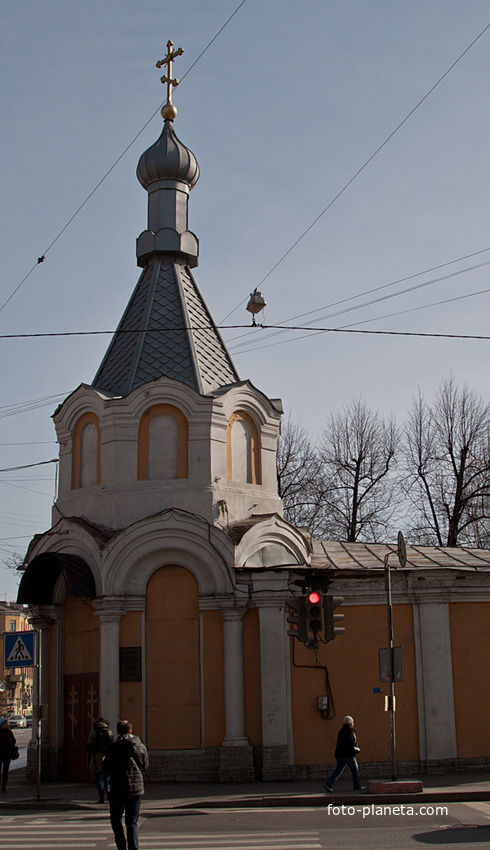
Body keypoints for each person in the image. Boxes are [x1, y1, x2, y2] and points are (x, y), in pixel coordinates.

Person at [102, 720, 149, 850]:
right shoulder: (140, 746)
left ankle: (121, 846)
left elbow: (106, 768)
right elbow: (145, 766)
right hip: (136, 788)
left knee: (116, 819)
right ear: (130, 731)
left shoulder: (114, 746)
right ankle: (133, 848)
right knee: (132, 822)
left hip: (118, 788)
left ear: (118, 732)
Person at [324, 715, 365, 792]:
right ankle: (357, 785)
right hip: (348, 755)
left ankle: (328, 783)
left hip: (339, 755)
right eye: (352, 723)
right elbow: (350, 743)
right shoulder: (350, 731)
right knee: (354, 769)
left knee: (338, 770)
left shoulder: (341, 731)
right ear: (350, 723)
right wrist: (355, 749)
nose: (353, 724)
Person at [86, 716, 114, 802]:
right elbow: (112, 745)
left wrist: (88, 759)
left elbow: (89, 746)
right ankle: (108, 791)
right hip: (107, 757)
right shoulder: (109, 732)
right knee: (107, 778)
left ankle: (101, 797)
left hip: (96, 757)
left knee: (99, 778)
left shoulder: (93, 732)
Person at [0, 717, 17, 793]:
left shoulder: (9, 732)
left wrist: (11, 745)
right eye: (4, 723)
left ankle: (4, 787)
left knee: (5, 771)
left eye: (6, 723)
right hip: (0, 754)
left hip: (7, 754)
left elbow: (13, 740)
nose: (6, 725)